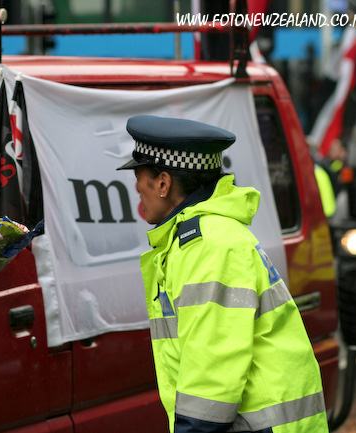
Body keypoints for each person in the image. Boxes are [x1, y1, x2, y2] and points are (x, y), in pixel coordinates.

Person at [117, 115, 329, 433]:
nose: (136, 187)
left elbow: (211, 375)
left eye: (139, 176)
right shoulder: (210, 235)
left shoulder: (208, 246)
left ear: (163, 183)